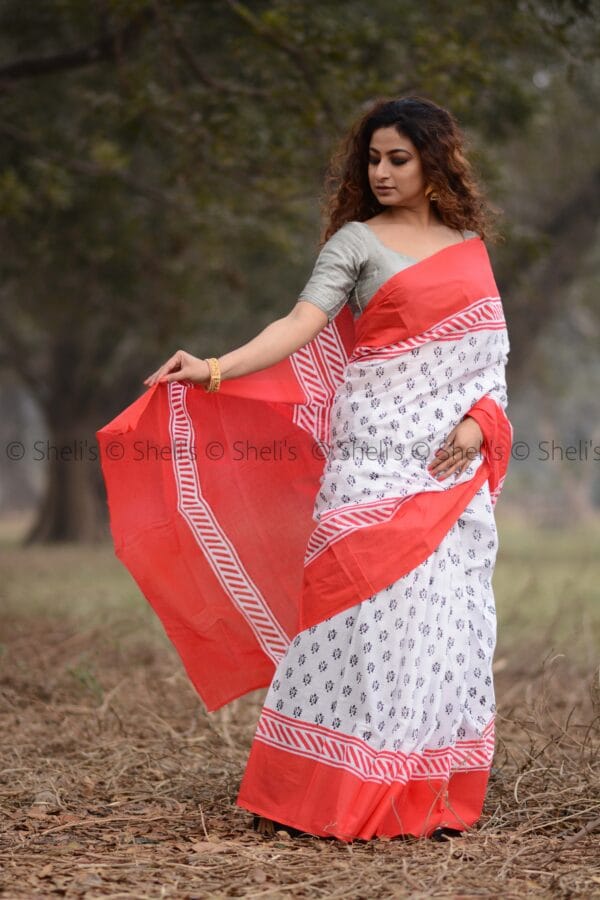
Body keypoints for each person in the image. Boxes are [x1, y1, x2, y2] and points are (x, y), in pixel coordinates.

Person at [100, 95, 512, 843]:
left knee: (443, 626)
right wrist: (215, 367)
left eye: (398, 159)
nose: (381, 172)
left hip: (448, 468)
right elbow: (298, 326)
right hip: (371, 458)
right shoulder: (355, 244)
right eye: (373, 159)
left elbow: (489, 365)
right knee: (355, 622)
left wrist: (479, 423)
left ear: (434, 163)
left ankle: (421, 795)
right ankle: (325, 790)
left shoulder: (469, 249)